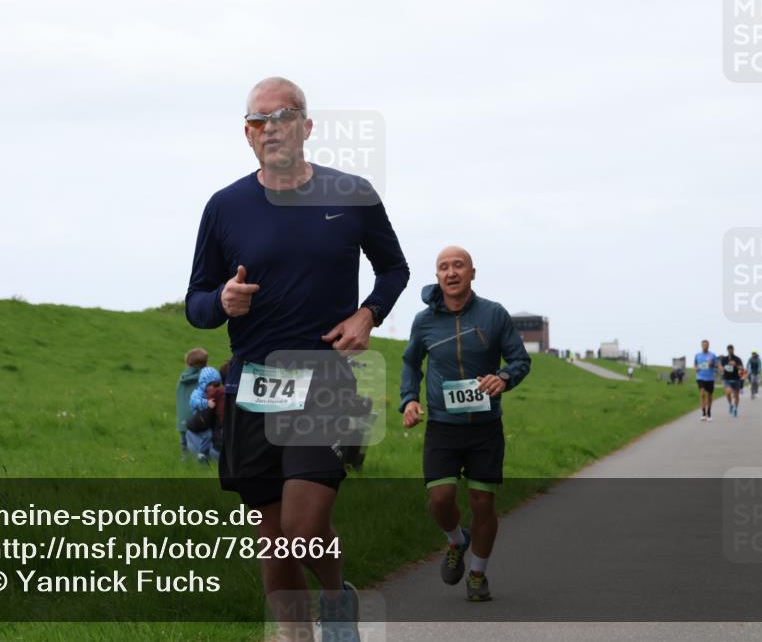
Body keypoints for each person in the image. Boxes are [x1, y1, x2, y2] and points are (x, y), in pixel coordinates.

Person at [185, 77, 409, 641]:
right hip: (253, 387)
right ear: (247, 134)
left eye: (282, 116)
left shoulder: (351, 194)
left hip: (326, 380)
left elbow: (394, 269)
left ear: (306, 126)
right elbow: (196, 303)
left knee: (303, 530)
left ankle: (335, 598)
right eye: (258, 121)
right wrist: (221, 301)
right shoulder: (225, 207)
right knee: (272, 539)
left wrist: (368, 315)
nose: (270, 128)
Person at [400, 246, 531, 603]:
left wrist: (503, 377)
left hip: (485, 427)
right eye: (443, 267)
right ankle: (457, 540)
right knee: (439, 500)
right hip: (442, 425)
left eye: (458, 265)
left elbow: (520, 359)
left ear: (472, 273)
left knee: (482, 503)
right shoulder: (424, 321)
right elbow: (411, 363)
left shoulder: (493, 314)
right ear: (437, 276)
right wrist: (409, 399)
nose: (451, 272)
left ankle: (477, 574)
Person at [175, 348, 208, 460]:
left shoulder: (183, 377)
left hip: (183, 417)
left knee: (184, 441)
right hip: (198, 418)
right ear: (206, 363)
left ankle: (186, 458)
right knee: (200, 441)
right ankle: (200, 459)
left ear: (187, 363)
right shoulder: (206, 378)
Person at [188, 366, 225, 464]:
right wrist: (206, 403)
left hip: (208, 420)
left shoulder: (213, 394)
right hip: (199, 419)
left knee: (211, 434)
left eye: (218, 385)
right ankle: (201, 454)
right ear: (204, 383)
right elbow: (193, 402)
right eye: (213, 385)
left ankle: (207, 454)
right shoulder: (197, 393)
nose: (215, 388)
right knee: (207, 435)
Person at [693, 340, 718, 422]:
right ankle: (703, 413)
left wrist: (712, 364)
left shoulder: (712, 355)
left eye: (706, 345)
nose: (705, 346)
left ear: (708, 346)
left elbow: (717, 365)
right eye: (703, 345)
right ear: (701, 346)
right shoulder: (697, 355)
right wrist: (696, 368)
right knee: (702, 393)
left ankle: (709, 412)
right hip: (700, 377)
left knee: (709, 396)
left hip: (710, 378)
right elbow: (695, 366)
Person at [719, 344, 745, 418]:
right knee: (728, 392)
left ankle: (735, 408)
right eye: (729, 349)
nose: (730, 350)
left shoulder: (737, 359)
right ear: (727, 350)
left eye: (731, 349)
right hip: (727, 379)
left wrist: (736, 365)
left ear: (733, 350)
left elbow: (742, 368)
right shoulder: (724, 359)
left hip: (736, 379)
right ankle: (730, 404)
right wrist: (722, 368)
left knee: (736, 396)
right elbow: (721, 368)